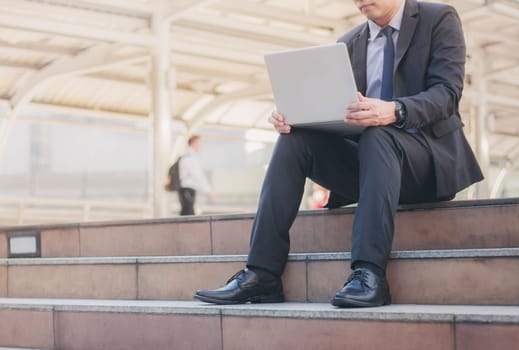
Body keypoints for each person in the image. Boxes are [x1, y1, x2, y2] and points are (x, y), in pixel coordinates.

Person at [194, 0, 483, 307]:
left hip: (425, 161)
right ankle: (262, 273)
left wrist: (394, 110)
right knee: (296, 139)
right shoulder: (348, 43)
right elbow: (335, 111)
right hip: (371, 166)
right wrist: (293, 115)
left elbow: (447, 94)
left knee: (378, 132)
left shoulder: (438, 18)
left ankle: (369, 274)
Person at [177, 135, 216, 216]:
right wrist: (209, 191)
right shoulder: (189, 158)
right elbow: (198, 176)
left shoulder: (188, 156)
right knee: (187, 215)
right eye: (199, 143)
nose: (201, 146)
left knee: (187, 214)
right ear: (193, 143)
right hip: (187, 190)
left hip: (187, 190)